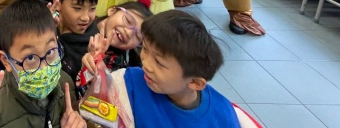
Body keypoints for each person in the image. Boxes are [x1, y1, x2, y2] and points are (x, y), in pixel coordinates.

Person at [105, 10, 261, 127]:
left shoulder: (222, 116)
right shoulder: (131, 81)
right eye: (145, 49)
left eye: (159, 63)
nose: (146, 64)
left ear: (194, 82)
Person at [0, 0, 87, 128]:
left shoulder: (65, 84)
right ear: (6, 61)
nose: (44, 67)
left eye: (50, 51)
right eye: (30, 58)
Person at [79, 0, 153, 94]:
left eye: (137, 36)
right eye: (128, 21)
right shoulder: (81, 23)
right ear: (112, 11)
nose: (128, 33)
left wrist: (95, 63)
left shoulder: (120, 66)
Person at [42, 0, 100, 86]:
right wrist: (45, 32)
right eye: (77, 8)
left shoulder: (94, 44)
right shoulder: (43, 23)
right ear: (57, 2)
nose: (86, 17)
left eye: (92, 8)